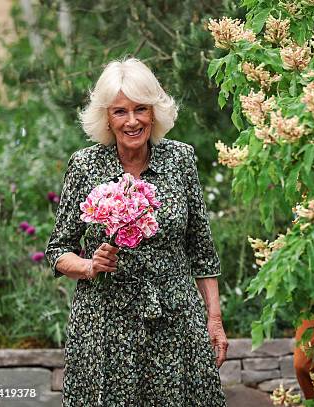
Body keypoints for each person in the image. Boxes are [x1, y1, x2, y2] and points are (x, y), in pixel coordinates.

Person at [46, 58, 228, 406]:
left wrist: (215, 320)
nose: (132, 121)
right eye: (120, 112)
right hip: (105, 325)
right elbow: (58, 250)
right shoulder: (85, 166)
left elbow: (202, 249)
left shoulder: (181, 160)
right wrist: (88, 265)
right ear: (107, 117)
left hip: (175, 321)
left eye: (141, 109)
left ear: (154, 112)